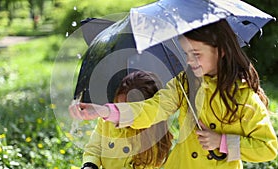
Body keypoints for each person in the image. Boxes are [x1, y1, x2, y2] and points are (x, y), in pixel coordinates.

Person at [70, 19, 278, 168]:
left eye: (196, 54)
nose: (189, 61)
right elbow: (152, 109)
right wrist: (105, 111)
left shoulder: (245, 99)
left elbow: (268, 148)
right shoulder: (186, 83)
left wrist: (221, 142)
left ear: (221, 50)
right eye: (187, 54)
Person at [80, 70, 173, 169]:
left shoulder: (151, 138)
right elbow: (94, 148)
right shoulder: (107, 122)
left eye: (127, 111)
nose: (121, 114)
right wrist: (90, 165)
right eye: (119, 106)